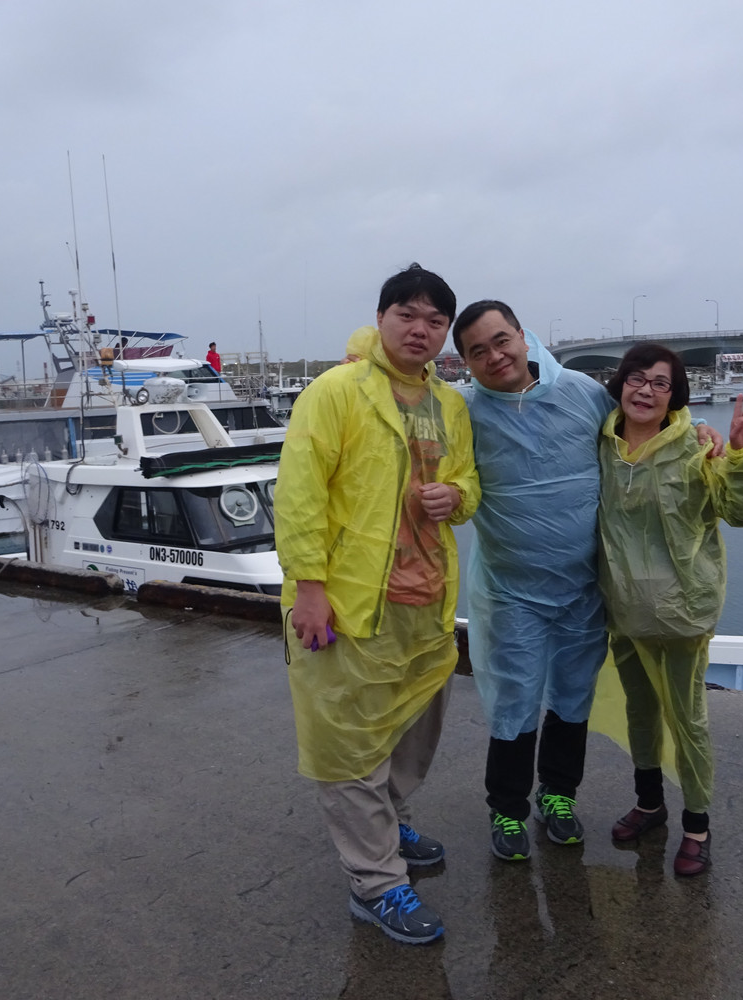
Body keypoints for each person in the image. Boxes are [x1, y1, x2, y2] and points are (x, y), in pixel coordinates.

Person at [449, 302, 722, 863]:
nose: (494, 356)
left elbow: (642, 424)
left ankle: (558, 795)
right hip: (512, 590)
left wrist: (697, 431)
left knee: (572, 699)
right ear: (465, 363)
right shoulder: (464, 412)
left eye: (501, 340)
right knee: (515, 700)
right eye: (478, 351)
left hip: (584, 588)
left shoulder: (581, 393)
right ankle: (507, 808)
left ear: (522, 336)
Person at [275, 263, 479, 946]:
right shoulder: (336, 392)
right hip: (350, 601)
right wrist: (309, 589)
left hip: (427, 601)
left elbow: (469, 485)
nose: (420, 329)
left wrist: (456, 497)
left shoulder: (449, 405)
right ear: (382, 317)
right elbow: (299, 493)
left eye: (434, 320)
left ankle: (386, 822)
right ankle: (375, 882)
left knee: (412, 730)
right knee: (349, 744)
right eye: (406, 314)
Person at [595, 343, 743, 877]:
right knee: (640, 712)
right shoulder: (601, 443)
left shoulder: (696, 448)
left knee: (687, 718)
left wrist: (740, 455)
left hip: (682, 613)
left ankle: (697, 826)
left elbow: (742, 513)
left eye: (660, 383)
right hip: (624, 609)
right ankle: (650, 804)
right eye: (637, 378)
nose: (645, 391)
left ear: (675, 395)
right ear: (620, 383)